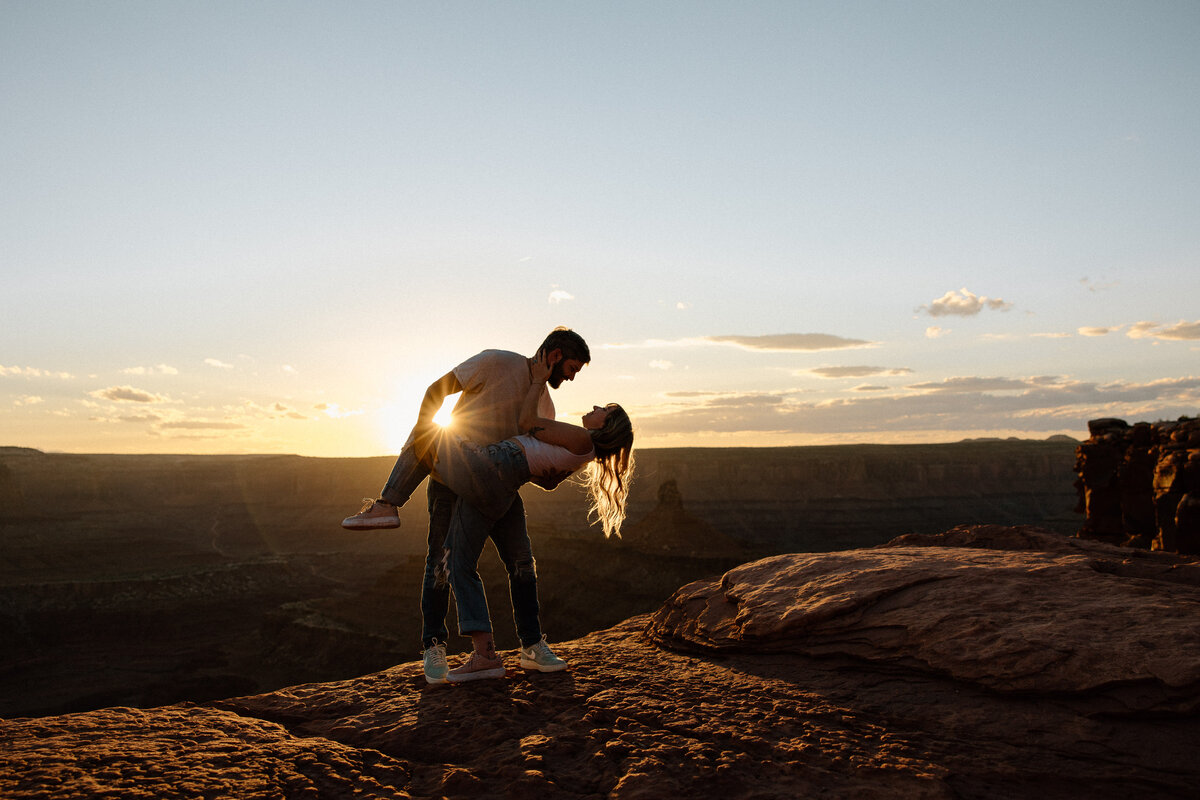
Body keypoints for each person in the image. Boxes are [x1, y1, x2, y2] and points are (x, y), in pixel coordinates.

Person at [341, 328, 590, 685]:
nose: (571, 377)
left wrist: (553, 472)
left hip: (499, 490)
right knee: (441, 563)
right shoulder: (494, 361)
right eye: (571, 368)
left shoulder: (544, 405)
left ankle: (533, 645)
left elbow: (531, 458)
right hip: (449, 483)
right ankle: (434, 645)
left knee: (521, 563)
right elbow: (436, 391)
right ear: (554, 356)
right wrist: (423, 441)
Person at [437, 353, 634, 683]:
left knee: (460, 562)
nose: (598, 407)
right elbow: (547, 478)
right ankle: (532, 645)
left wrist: (537, 380)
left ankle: (485, 655)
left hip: (494, 473)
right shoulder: (586, 451)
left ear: (605, 424)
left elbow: (528, 420)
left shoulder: (580, 437)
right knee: (522, 565)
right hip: (511, 485)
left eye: (605, 410)